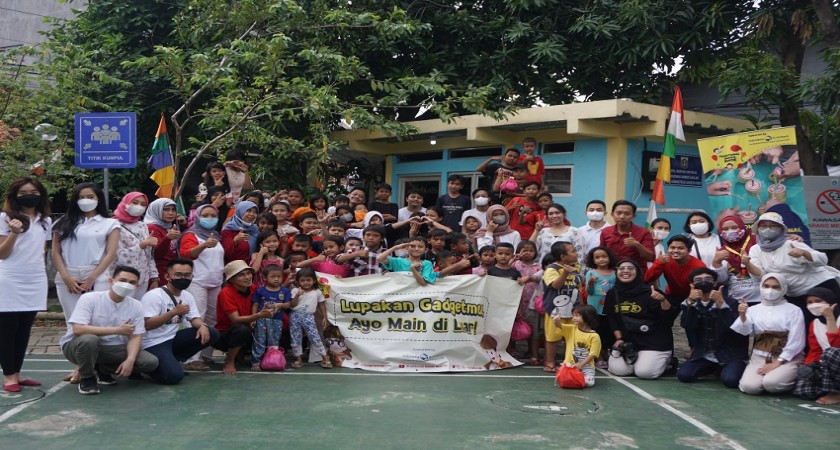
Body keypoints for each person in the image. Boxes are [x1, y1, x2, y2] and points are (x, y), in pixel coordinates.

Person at [52, 182, 120, 383]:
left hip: (97, 275)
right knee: (73, 321)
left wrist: (91, 278)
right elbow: (55, 253)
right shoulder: (63, 223)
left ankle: (98, 366)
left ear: (99, 199)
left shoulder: (110, 223)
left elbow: (110, 253)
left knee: (96, 321)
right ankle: (79, 366)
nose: (86, 200)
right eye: (82, 197)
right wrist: (66, 277)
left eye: (91, 197)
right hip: (68, 275)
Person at [59, 266, 159, 395]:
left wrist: (130, 359)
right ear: (111, 281)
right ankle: (87, 378)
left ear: (137, 285)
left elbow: (136, 336)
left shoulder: (136, 305)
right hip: (79, 347)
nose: (126, 285)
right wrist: (116, 330)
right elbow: (78, 329)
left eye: (132, 282)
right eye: (122, 280)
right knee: (89, 339)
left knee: (150, 362)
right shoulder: (90, 298)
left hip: (112, 349)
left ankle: (102, 369)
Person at [0, 177, 51, 392]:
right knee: (7, 329)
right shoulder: (5, 218)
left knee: (24, 329)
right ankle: (9, 376)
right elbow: (2, 254)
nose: (29, 196)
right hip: (10, 278)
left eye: (33, 192)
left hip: (35, 279)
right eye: (23, 193)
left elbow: (43, 250)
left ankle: (17, 373)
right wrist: (14, 232)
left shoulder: (45, 220)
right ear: (14, 195)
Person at [141, 258, 219, 385]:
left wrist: (202, 326)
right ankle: (146, 368)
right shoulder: (154, 296)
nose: (183, 278)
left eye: (187, 275)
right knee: (174, 377)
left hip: (172, 338)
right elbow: (147, 325)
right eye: (178, 275)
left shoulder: (187, 296)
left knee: (212, 333)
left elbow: (194, 318)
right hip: (153, 342)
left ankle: (173, 360)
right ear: (167, 276)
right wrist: (173, 312)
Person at [744, 212, 840, 313]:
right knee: (805, 322)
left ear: (781, 228)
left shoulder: (792, 242)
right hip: (794, 295)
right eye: (763, 226)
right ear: (757, 228)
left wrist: (804, 253)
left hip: (821, 287)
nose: (768, 229)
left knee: (833, 318)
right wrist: (747, 264)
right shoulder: (755, 249)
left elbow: (823, 260)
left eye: (773, 226)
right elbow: (761, 276)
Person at [731, 273, 805, 395]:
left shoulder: (794, 310)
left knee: (772, 384)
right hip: (760, 356)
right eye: (766, 286)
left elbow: (797, 340)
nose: (770, 290)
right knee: (749, 387)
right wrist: (743, 315)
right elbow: (744, 331)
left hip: (787, 357)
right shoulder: (753, 309)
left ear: (783, 289)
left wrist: (778, 361)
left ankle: (789, 377)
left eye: (776, 287)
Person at [605, 259, 677, 379]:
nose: (625, 271)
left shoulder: (651, 292)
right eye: (621, 268)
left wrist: (663, 300)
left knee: (645, 372)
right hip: (628, 342)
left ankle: (668, 362)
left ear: (638, 272)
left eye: (630, 268)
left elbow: (668, 319)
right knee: (619, 370)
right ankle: (642, 361)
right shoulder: (613, 293)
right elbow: (612, 318)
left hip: (653, 341)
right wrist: (619, 338)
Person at [676, 268, 748, 388]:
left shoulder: (731, 302)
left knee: (730, 380)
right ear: (692, 284)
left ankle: (733, 367)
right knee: (684, 375)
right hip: (704, 354)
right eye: (698, 280)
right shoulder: (691, 303)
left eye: (708, 279)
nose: (703, 282)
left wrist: (722, 305)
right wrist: (690, 301)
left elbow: (733, 328)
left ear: (715, 283)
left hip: (730, 353)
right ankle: (714, 367)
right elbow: (687, 325)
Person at [178, 204, 225, 372]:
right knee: (197, 317)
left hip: (215, 282)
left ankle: (206, 354)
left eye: (213, 215)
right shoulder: (191, 234)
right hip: (197, 281)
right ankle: (192, 358)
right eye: (205, 215)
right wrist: (203, 245)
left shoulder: (216, 236)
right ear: (197, 216)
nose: (210, 218)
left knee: (212, 319)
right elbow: (186, 254)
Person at [214, 260, 275, 375]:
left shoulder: (254, 288)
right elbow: (235, 320)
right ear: (231, 279)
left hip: (249, 328)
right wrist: (259, 315)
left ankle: (240, 355)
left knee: (279, 328)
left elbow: (273, 293)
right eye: (241, 275)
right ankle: (229, 361)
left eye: (248, 273)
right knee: (242, 329)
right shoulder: (226, 292)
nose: (247, 277)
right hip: (226, 333)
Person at [541, 241, 585, 373]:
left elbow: (578, 288)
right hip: (555, 310)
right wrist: (565, 273)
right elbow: (555, 285)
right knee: (553, 337)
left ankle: (569, 361)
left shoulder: (576, 268)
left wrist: (581, 305)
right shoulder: (552, 269)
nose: (576, 253)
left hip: (574, 310)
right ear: (563, 256)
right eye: (573, 251)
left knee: (571, 336)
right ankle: (549, 362)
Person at [795, 287, 840, 405]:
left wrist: (830, 318)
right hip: (828, 364)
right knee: (804, 391)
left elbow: (836, 346)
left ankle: (836, 393)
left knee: (831, 352)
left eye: (818, 301)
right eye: (810, 302)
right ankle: (828, 388)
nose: (813, 305)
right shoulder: (815, 323)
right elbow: (815, 351)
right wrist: (808, 367)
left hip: (835, 358)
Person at [111, 192, 159, 300]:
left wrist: (154, 277)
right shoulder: (113, 225)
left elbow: (149, 255)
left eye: (143, 204)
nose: (139, 206)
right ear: (125, 203)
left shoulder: (142, 226)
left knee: (137, 307)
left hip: (142, 279)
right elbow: (115, 256)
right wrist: (141, 245)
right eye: (135, 202)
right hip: (122, 278)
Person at [250, 265, 292, 371]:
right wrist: (253, 318)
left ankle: (272, 360)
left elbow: (288, 305)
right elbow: (255, 305)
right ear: (264, 277)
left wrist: (281, 305)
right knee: (259, 340)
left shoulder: (284, 291)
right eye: (273, 277)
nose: (276, 279)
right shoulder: (260, 290)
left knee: (274, 341)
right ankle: (256, 361)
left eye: (279, 276)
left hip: (277, 320)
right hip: (261, 320)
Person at [711, 215, 760, 304]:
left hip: (763, 299)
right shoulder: (722, 252)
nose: (730, 231)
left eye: (734, 227)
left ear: (742, 227)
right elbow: (722, 279)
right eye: (725, 229)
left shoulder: (757, 242)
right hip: (737, 301)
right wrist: (717, 262)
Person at [288, 268, 332, 369]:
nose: (306, 283)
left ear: (314, 280)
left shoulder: (317, 292)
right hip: (295, 316)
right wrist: (298, 295)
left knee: (314, 336)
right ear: (298, 281)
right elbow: (292, 304)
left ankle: (325, 359)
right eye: (302, 280)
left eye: (308, 280)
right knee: (295, 337)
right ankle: (298, 360)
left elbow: (321, 305)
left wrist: (324, 317)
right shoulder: (295, 290)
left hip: (309, 317)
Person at [644, 235, 707, 302]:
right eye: (672, 248)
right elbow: (647, 279)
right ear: (667, 249)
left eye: (681, 248)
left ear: (689, 250)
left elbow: (704, 289)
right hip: (671, 296)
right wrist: (658, 263)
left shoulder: (699, 266)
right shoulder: (664, 261)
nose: (676, 251)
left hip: (693, 298)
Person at [584, 246, 617, 367]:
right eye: (597, 257)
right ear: (593, 260)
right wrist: (591, 283)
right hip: (595, 308)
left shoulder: (614, 273)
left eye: (604, 256)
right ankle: (598, 357)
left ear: (609, 257)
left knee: (608, 331)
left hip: (610, 307)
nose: (601, 259)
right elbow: (589, 292)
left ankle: (606, 354)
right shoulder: (591, 273)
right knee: (597, 331)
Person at [556, 304, 601, 387]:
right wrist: (556, 321)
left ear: (588, 317)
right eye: (573, 315)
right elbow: (559, 326)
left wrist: (581, 365)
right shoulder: (571, 329)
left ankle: (580, 379)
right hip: (570, 365)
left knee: (589, 382)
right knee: (563, 379)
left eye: (577, 315)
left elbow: (593, 354)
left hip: (586, 367)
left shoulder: (594, 336)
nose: (573, 318)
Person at [599, 200, 654, 268]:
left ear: (633, 216)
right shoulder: (606, 231)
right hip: (611, 272)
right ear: (612, 214)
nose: (622, 216)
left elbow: (650, 258)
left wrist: (637, 245)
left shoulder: (644, 232)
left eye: (627, 214)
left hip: (636, 272)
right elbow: (601, 253)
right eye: (618, 213)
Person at [532, 203, 586, 267]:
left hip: (567, 270)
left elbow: (580, 253)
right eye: (551, 214)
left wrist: (577, 270)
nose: (554, 216)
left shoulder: (575, 232)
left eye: (557, 213)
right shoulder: (543, 232)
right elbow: (532, 248)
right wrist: (536, 230)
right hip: (544, 269)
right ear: (547, 216)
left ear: (564, 214)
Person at [144, 198, 182, 285]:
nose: (171, 213)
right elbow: (157, 254)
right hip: (159, 274)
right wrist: (167, 238)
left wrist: (183, 225)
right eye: (166, 209)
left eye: (173, 210)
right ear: (156, 210)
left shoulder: (168, 227)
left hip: (169, 271)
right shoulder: (152, 228)